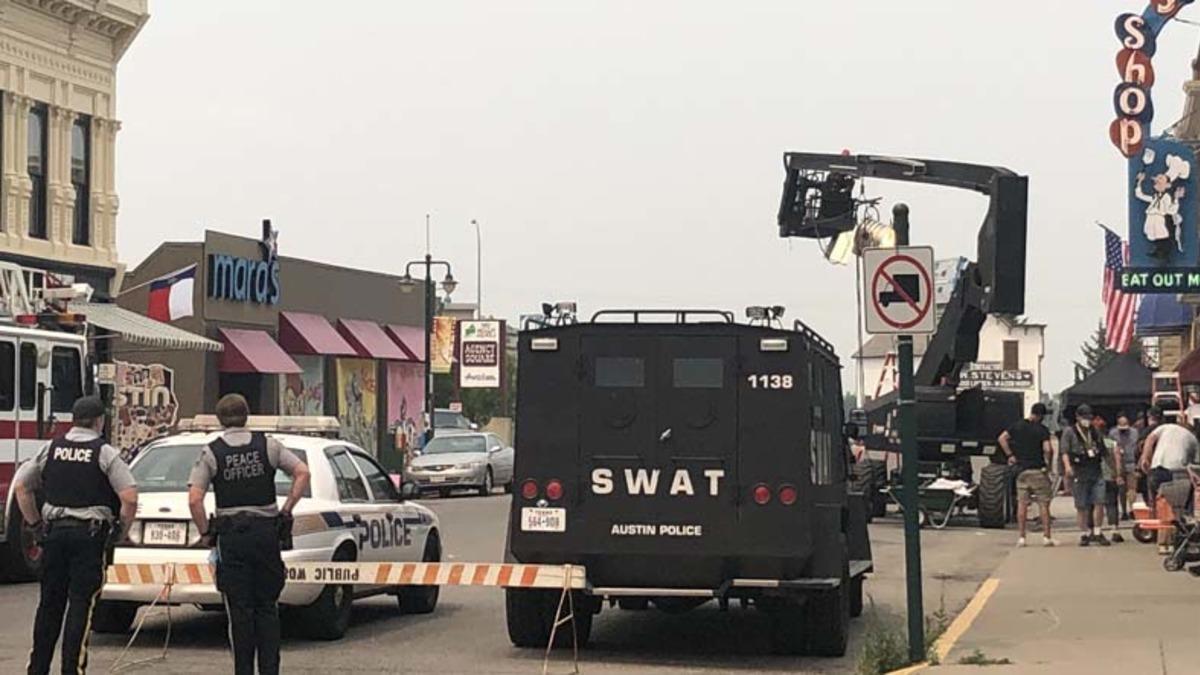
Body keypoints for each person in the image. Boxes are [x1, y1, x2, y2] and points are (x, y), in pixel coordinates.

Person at [188, 394, 311, 675]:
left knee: (240, 612)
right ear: (247, 415)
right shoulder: (268, 445)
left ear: (220, 420)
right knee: (267, 607)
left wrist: (206, 533)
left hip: (232, 538)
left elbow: (195, 499)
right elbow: (302, 472)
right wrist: (287, 509)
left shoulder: (211, 452)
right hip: (266, 534)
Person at [15, 396, 138, 675]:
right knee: (81, 605)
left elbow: (22, 487)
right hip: (89, 537)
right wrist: (120, 531)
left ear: (73, 419)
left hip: (54, 535)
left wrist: (35, 525)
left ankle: (38, 668)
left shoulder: (51, 448)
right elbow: (129, 497)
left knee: (49, 604)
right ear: (99, 421)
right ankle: (72, 669)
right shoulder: (104, 452)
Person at [1139, 413, 1199, 555]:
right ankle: (1172, 541)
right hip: (1175, 472)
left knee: (1160, 505)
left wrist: (1145, 457)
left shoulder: (1166, 427)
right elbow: (1194, 465)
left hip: (1155, 469)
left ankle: (1161, 540)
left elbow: (1150, 439)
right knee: (1177, 509)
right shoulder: (1193, 439)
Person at [998, 402, 1056, 547]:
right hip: (1037, 470)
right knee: (1043, 504)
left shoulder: (1017, 426)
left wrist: (1010, 455)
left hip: (1021, 471)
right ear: (1041, 416)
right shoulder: (1042, 430)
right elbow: (1048, 449)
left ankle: (1022, 537)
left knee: (1022, 504)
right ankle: (1046, 537)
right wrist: (1048, 466)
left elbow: (1002, 438)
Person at [1060, 404, 1114, 547]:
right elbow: (1064, 451)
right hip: (1079, 470)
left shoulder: (1095, 431)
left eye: (1089, 417)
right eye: (1084, 417)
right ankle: (1084, 533)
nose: (1087, 420)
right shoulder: (1069, 432)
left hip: (1095, 470)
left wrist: (1113, 470)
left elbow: (1104, 451)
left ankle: (1097, 531)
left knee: (1099, 502)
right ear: (1077, 417)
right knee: (1081, 505)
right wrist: (1067, 466)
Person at [1110, 411, 1140, 523]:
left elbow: (1138, 448)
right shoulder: (1113, 433)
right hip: (1119, 463)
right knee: (1121, 489)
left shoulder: (1135, 433)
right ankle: (1123, 511)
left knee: (1132, 488)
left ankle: (1132, 510)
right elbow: (1110, 448)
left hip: (1131, 462)